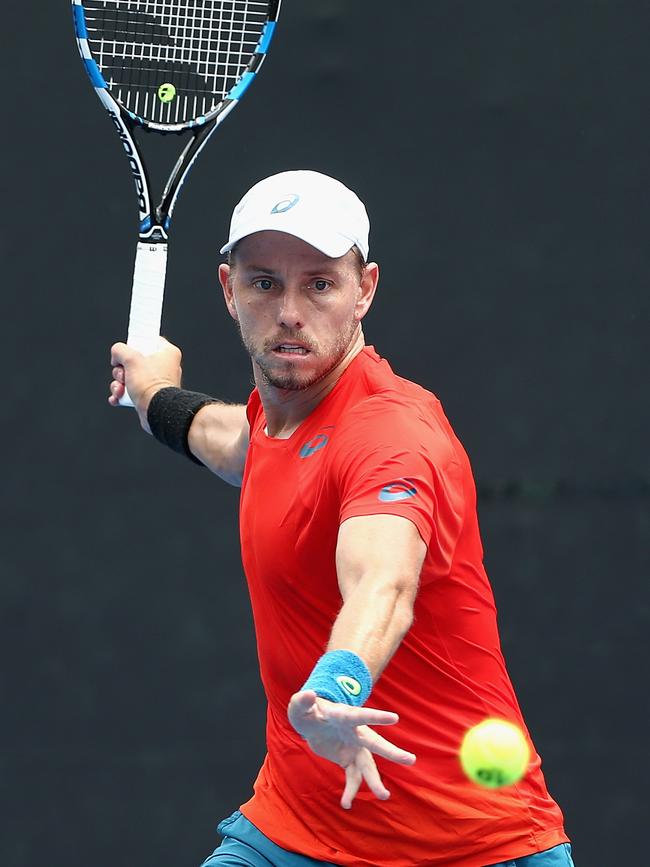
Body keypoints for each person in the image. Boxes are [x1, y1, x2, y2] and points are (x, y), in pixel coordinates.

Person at [109, 170, 574, 867]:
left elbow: (382, 580)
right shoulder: (282, 410)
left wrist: (338, 682)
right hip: (293, 830)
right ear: (227, 288)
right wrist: (156, 396)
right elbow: (239, 441)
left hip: (471, 847)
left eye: (320, 283)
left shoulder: (392, 434)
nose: (290, 310)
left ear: (366, 290)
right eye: (264, 282)